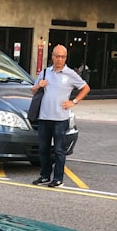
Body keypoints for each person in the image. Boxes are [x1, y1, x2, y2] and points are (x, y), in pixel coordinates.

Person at [32, 44, 90, 188]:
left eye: (62, 57)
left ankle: (58, 178)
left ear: (65, 58)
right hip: (44, 117)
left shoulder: (70, 74)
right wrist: (39, 85)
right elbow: (33, 91)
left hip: (60, 118)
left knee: (59, 150)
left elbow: (85, 88)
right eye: (57, 56)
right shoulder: (45, 72)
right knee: (44, 148)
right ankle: (44, 176)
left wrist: (73, 101)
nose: (59, 59)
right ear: (52, 56)